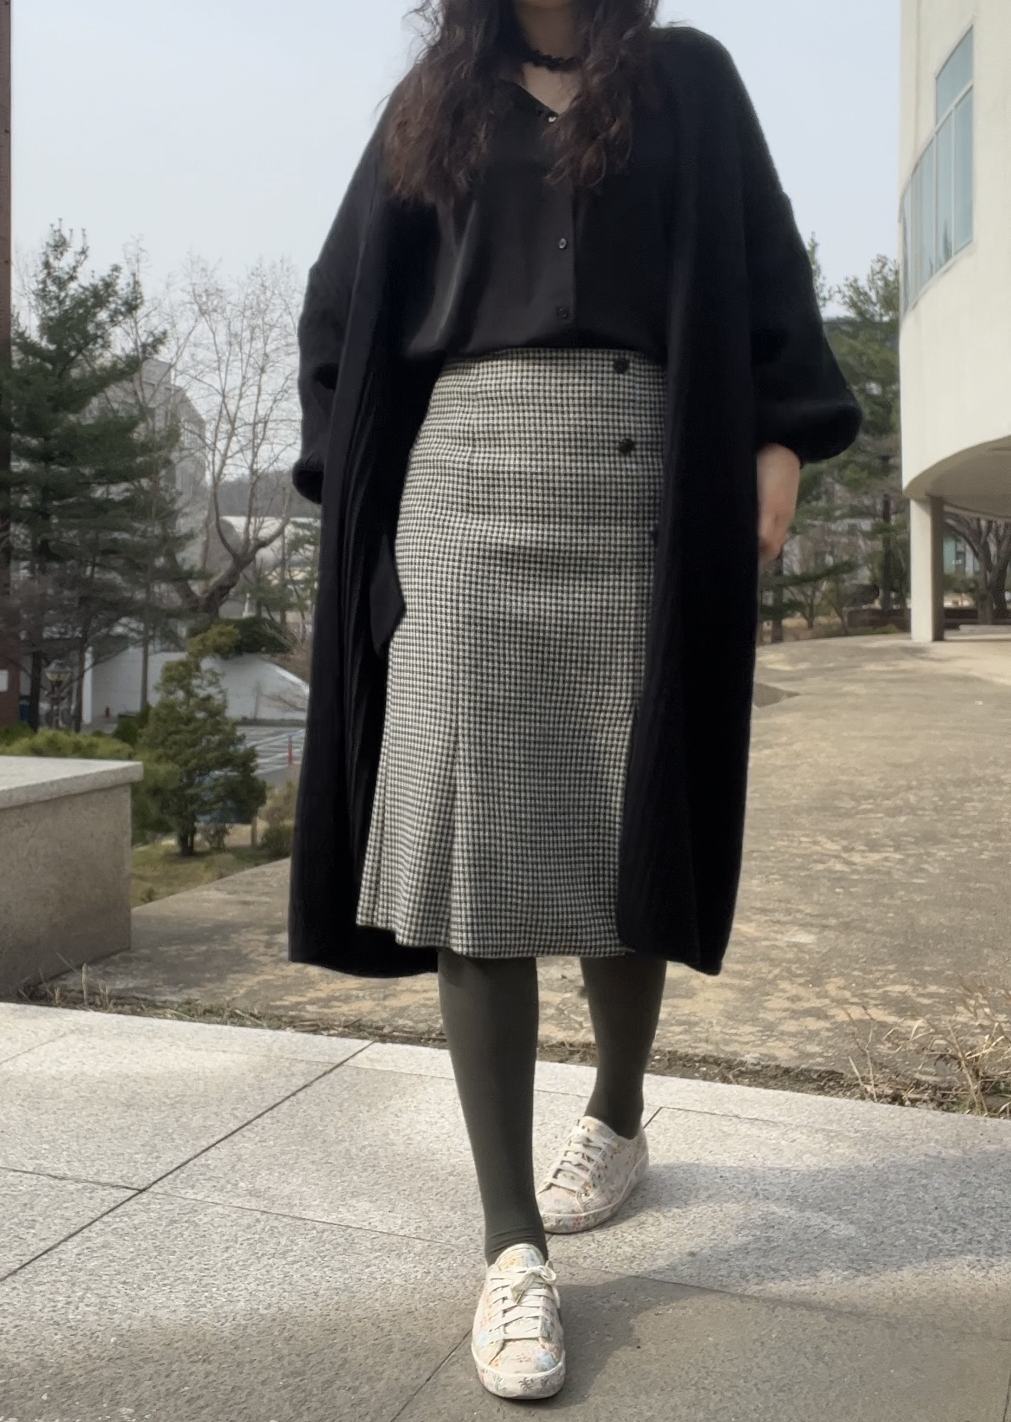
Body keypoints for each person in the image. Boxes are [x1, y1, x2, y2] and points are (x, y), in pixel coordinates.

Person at [289, 0, 861, 1401]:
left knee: (626, 820)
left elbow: (766, 265)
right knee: (476, 851)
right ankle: (511, 1245)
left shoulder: (686, 79)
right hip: (464, 487)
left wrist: (779, 440)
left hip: (645, 475)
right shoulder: (436, 99)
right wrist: (356, 492)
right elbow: (340, 305)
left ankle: (615, 1114)